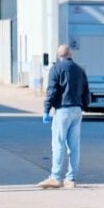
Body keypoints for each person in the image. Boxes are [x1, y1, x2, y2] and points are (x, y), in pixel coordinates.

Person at [38, 44, 90, 189]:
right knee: (74, 146)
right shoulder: (80, 70)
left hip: (62, 111)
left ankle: (56, 177)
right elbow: (86, 91)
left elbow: (52, 91)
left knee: (58, 144)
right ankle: (71, 179)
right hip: (77, 110)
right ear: (70, 55)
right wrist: (83, 106)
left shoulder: (56, 69)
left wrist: (46, 110)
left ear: (58, 56)